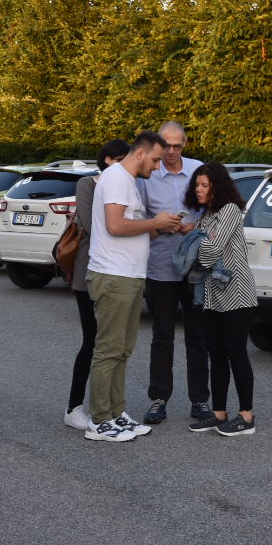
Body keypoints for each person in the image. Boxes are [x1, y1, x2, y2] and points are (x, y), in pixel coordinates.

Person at [84, 131, 184, 442]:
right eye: (155, 160)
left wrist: (164, 226)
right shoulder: (116, 177)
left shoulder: (128, 181)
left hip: (129, 276)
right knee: (109, 350)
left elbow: (135, 228)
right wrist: (155, 222)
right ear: (140, 153)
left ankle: (116, 413)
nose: (157, 166)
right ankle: (99, 421)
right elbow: (115, 225)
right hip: (114, 275)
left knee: (122, 350)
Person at [138, 120, 209, 425]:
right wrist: (158, 225)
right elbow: (137, 220)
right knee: (162, 336)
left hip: (194, 268)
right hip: (160, 266)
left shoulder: (198, 169)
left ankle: (200, 400)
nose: (170, 151)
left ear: (185, 144)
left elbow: (214, 211)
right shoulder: (148, 175)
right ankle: (158, 399)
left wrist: (195, 225)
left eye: (177, 145)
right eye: (166, 145)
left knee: (198, 336)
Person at [184, 163, 259, 436]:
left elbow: (210, 250)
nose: (199, 189)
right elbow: (200, 247)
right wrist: (200, 243)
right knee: (215, 353)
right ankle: (218, 413)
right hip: (212, 294)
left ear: (218, 186)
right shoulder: (207, 214)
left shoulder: (229, 210)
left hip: (236, 292)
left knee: (236, 352)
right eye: (197, 185)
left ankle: (247, 416)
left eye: (204, 185)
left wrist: (198, 244)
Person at [63, 138, 131, 431]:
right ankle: (74, 407)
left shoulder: (128, 186)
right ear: (107, 160)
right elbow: (94, 225)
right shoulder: (87, 184)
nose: (123, 166)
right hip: (87, 271)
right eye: (119, 159)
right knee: (92, 341)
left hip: (116, 272)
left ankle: (111, 409)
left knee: (113, 344)